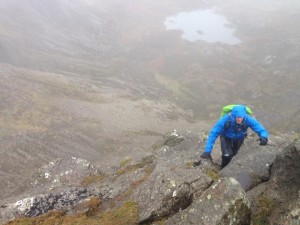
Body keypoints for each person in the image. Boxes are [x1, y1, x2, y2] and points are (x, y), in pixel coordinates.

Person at [200, 104, 268, 168]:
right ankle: (223, 168)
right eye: (237, 117)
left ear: (244, 115)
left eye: (241, 117)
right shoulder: (226, 119)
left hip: (239, 138)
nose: (239, 119)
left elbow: (260, 128)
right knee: (227, 155)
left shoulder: (248, 119)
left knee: (234, 154)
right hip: (226, 137)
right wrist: (207, 150)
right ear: (234, 115)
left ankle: (230, 166)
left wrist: (264, 137)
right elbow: (213, 133)